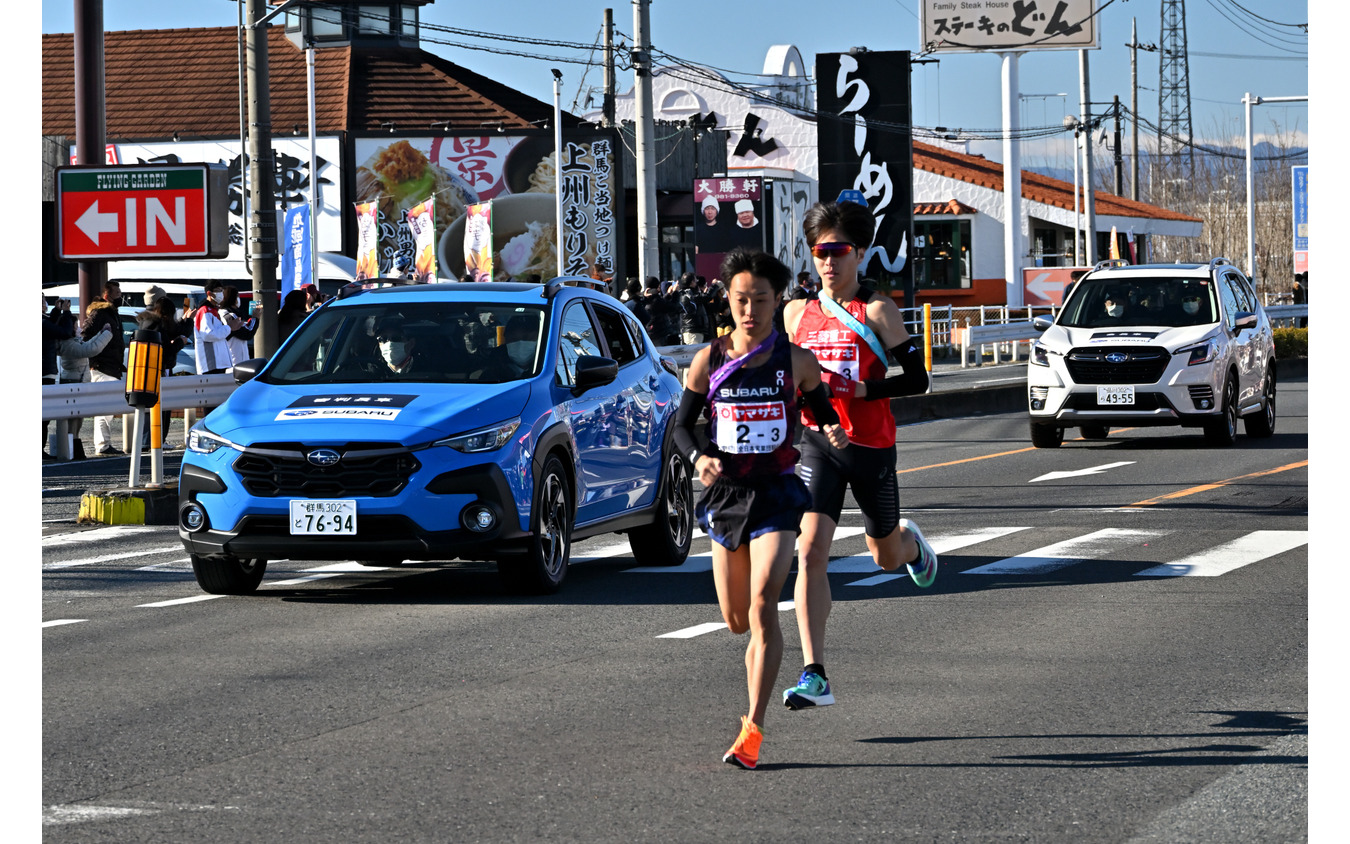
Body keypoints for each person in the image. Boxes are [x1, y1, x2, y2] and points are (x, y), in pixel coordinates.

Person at [674, 247, 849, 769]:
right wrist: (698, 457)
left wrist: (831, 426)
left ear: (778, 302)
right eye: (741, 300)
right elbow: (682, 427)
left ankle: (753, 728)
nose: (750, 311)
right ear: (727, 300)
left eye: (761, 300)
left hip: (776, 493)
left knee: (763, 602)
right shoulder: (709, 359)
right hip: (727, 498)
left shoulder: (795, 361)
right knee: (734, 619)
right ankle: (754, 702)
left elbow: (817, 403)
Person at [779, 199, 938, 711]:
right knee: (809, 553)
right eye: (819, 251)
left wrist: (859, 391)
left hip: (871, 448)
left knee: (884, 557)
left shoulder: (876, 310)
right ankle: (814, 673)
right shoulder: (795, 313)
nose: (828, 262)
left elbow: (918, 378)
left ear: (860, 252)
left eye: (839, 251)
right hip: (818, 446)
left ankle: (912, 545)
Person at [56, 307, 114, 461]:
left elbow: (87, 345)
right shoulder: (68, 344)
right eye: (75, 326)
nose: (78, 329)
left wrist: (101, 334)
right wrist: (107, 334)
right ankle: (71, 449)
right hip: (73, 382)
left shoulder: (72, 342)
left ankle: (73, 448)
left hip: (77, 382)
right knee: (72, 421)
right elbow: (90, 350)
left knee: (77, 420)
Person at [83, 280, 127, 456]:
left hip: (111, 365)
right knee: (105, 408)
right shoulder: (100, 313)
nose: (120, 297)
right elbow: (86, 334)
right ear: (107, 295)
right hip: (102, 366)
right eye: (117, 294)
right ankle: (102, 445)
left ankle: (104, 444)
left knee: (108, 408)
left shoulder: (110, 313)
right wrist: (95, 357)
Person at [42, 295, 75, 460]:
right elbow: (65, 333)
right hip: (44, 370)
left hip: (44, 369)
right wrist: (67, 313)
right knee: (43, 414)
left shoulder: (43, 321)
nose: (44, 304)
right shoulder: (42, 322)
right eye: (42, 302)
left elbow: (50, 326)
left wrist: (56, 311)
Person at [477, 314, 539, 381]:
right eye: (514, 339)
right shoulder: (491, 374)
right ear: (506, 340)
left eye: (526, 338)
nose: (520, 343)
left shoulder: (548, 370)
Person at [193, 281, 238, 374]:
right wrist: (229, 327)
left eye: (222, 290)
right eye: (218, 290)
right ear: (209, 293)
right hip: (210, 364)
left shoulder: (214, 310)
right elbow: (208, 334)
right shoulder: (205, 310)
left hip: (219, 363)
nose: (221, 293)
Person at [220, 285, 256, 366]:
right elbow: (247, 334)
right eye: (237, 296)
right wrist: (255, 318)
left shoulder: (232, 314)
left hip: (240, 361)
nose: (238, 299)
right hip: (234, 362)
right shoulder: (227, 315)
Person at [678, 272, 711, 344]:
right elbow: (706, 298)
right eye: (695, 279)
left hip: (696, 330)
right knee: (694, 354)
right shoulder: (688, 294)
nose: (697, 281)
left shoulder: (689, 293)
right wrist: (715, 286)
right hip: (692, 331)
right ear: (691, 282)